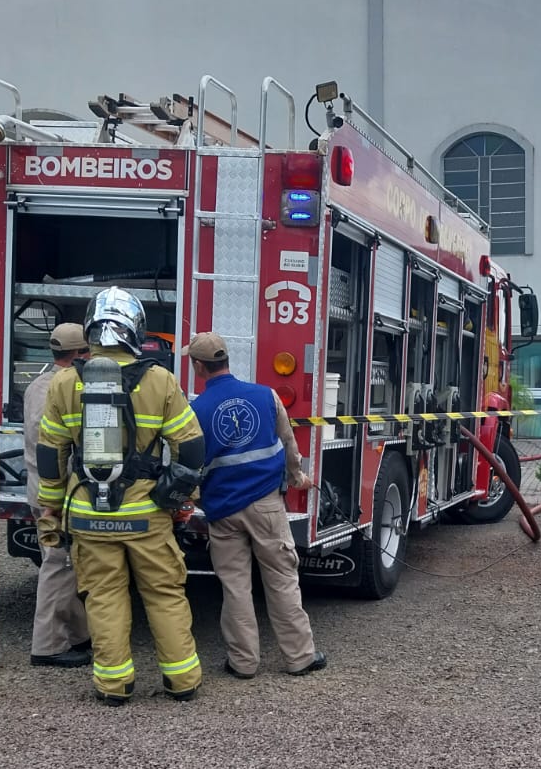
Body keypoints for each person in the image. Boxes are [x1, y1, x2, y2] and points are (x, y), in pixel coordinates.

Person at [35, 288, 207, 706]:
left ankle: (114, 686)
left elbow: (49, 455)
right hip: (147, 515)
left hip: (89, 517)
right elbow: (191, 447)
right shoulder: (159, 380)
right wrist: (182, 498)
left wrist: (51, 510)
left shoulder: (63, 382)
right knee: (164, 595)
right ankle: (182, 682)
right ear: (136, 327)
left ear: (92, 328)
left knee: (104, 597)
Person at [187, 331, 326, 679]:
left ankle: (243, 663)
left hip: (223, 511)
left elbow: (188, 465)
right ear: (227, 360)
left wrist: (193, 499)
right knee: (281, 579)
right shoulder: (266, 395)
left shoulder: (195, 410)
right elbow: (288, 443)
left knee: (235, 586)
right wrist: (297, 478)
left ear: (199, 366)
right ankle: (301, 657)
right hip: (266, 506)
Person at [23, 322, 93, 669]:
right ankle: (48, 645)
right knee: (59, 563)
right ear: (81, 354)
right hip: (56, 493)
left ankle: (78, 635)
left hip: (47, 489)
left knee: (72, 565)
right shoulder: (63, 389)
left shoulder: (40, 384)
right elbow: (52, 448)